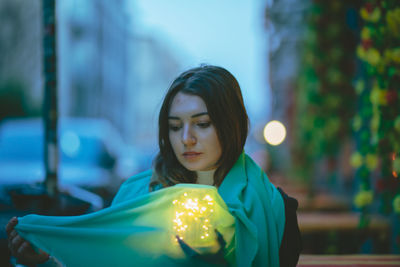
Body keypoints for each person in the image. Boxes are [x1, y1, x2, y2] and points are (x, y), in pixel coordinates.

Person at [6, 65, 301, 266]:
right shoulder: (136, 195)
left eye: (202, 124)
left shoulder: (274, 210)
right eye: (175, 127)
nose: (186, 139)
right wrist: (45, 261)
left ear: (231, 125)